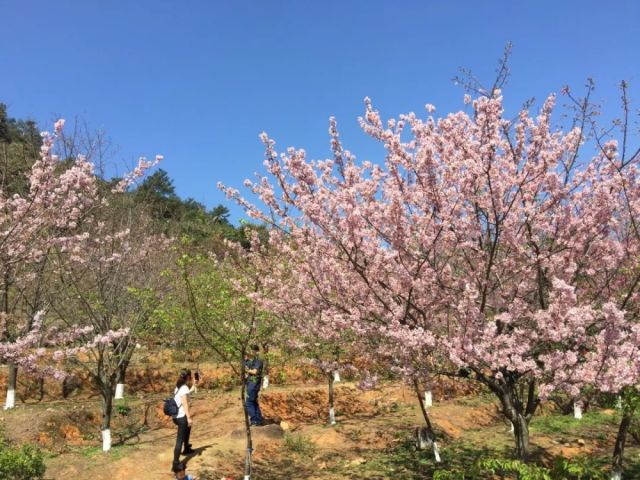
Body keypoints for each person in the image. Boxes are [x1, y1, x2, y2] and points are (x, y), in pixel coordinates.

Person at [172, 369, 197, 471]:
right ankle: (175, 464)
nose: (191, 378)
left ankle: (186, 448)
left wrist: (195, 385)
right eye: (190, 377)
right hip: (181, 417)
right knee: (179, 441)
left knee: (188, 427)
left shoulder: (178, 387)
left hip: (176, 416)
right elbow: (185, 403)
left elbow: (187, 393)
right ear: (187, 377)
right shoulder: (184, 388)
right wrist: (188, 417)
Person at [244, 344, 264, 426]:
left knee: (249, 402)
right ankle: (258, 420)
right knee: (253, 401)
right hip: (251, 383)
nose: (250, 352)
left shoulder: (258, 359)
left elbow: (254, 372)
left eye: (252, 350)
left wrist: (246, 369)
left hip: (254, 383)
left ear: (256, 351)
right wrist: (245, 361)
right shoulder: (252, 360)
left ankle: (254, 420)